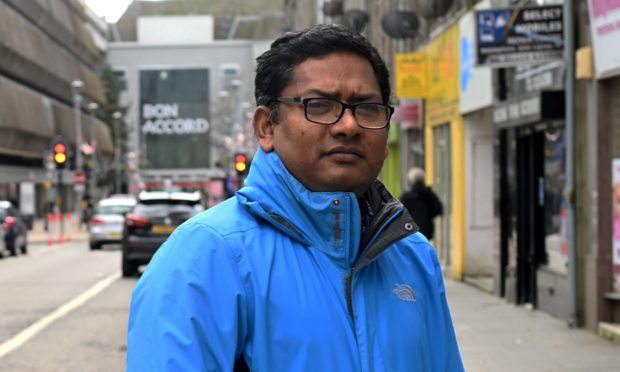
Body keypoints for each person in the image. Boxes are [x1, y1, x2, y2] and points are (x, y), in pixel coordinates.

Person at [127, 24, 463, 371]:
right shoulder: (206, 256)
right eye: (319, 105)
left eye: (367, 108)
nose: (348, 125)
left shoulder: (413, 256)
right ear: (266, 127)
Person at [399, 167, 444, 241]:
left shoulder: (406, 196)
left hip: (410, 229)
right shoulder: (430, 194)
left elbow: (400, 212)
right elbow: (438, 209)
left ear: (411, 181)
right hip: (426, 229)